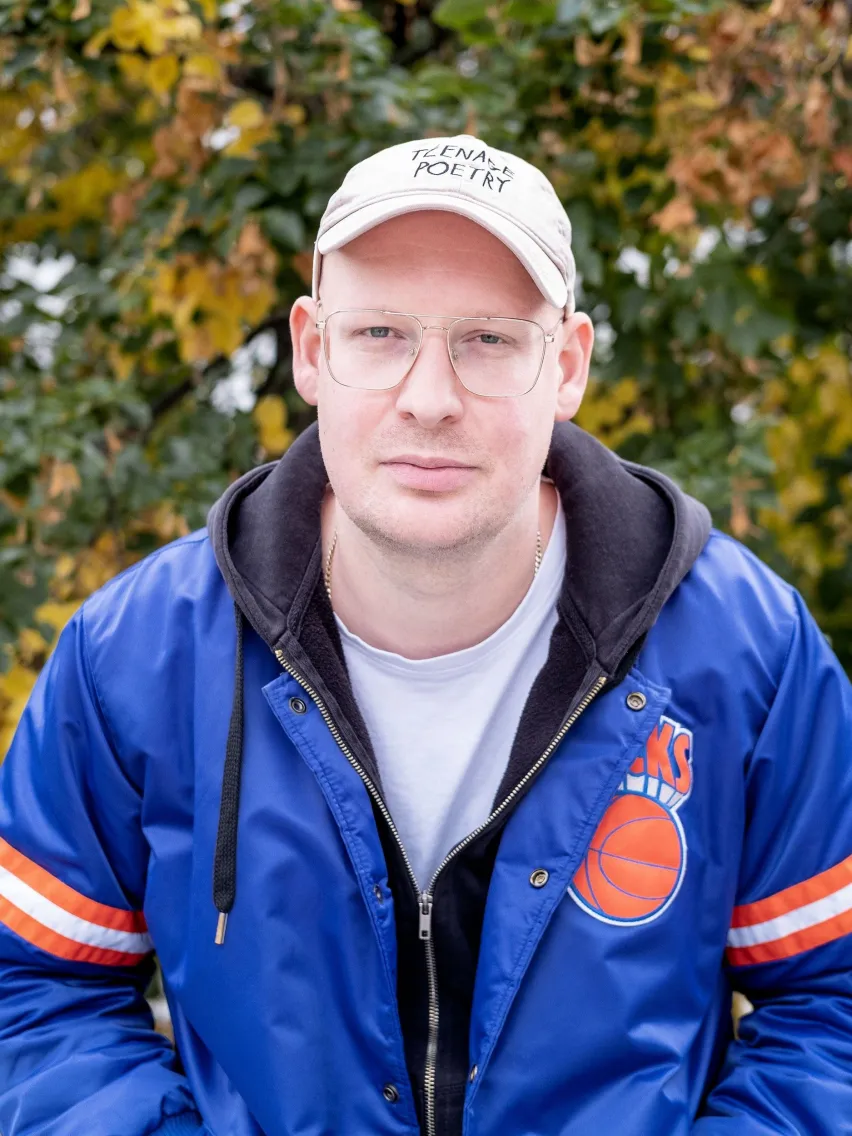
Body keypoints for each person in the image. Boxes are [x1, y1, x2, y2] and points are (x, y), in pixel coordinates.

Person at [1, 133, 850, 1136]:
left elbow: (831, 1004)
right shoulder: (137, 657)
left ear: (567, 365)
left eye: (489, 338)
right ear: (311, 351)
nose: (431, 398)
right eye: (380, 334)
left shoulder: (745, 651)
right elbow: (34, 989)